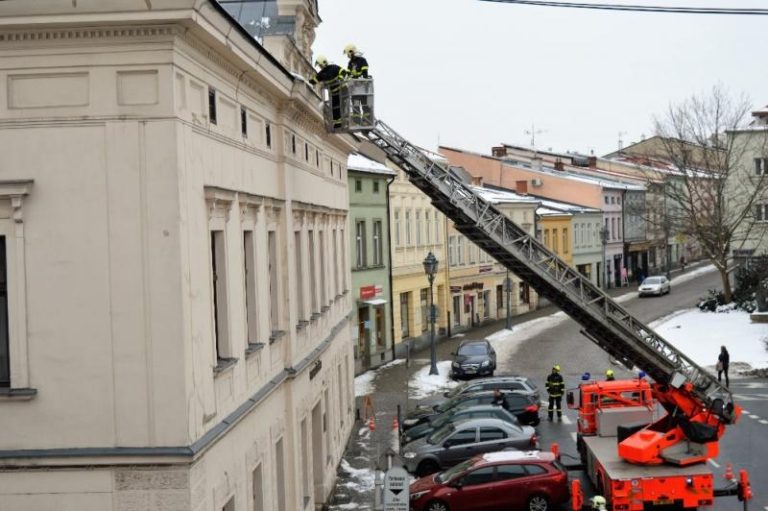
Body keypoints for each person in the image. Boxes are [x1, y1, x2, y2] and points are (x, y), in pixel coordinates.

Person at [309, 55, 346, 126]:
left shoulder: (333, 68)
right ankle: (337, 123)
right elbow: (315, 80)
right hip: (333, 92)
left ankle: (343, 121)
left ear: (324, 62)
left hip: (341, 90)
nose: (320, 67)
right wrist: (308, 82)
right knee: (334, 107)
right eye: (319, 66)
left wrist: (340, 79)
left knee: (341, 106)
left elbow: (343, 72)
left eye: (320, 65)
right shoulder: (322, 73)